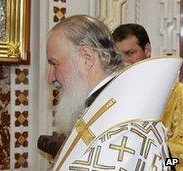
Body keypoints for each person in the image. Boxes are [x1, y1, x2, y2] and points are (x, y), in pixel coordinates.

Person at [44, 15, 179, 170]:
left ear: (87, 58)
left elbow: (169, 160)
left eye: (55, 64)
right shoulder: (98, 108)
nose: (50, 78)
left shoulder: (125, 123)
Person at [113, 23, 183, 171]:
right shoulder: (113, 96)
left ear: (147, 50)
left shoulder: (178, 94)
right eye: (119, 56)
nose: (124, 61)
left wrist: (154, 163)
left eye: (130, 53)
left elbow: (180, 159)